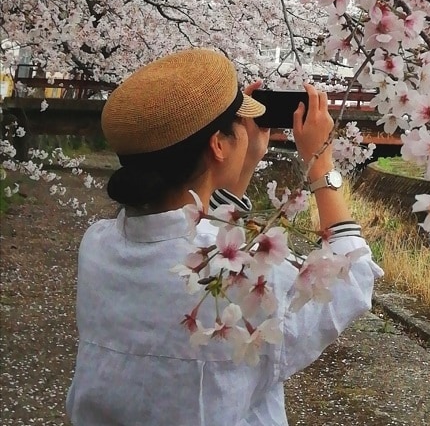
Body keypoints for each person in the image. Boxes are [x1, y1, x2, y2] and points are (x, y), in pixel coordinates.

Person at [66, 47, 382, 426]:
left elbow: (192, 233)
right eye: (236, 127)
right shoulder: (247, 277)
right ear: (217, 145)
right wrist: (322, 166)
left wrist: (243, 163)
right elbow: (353, 280)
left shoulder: (98, 245)